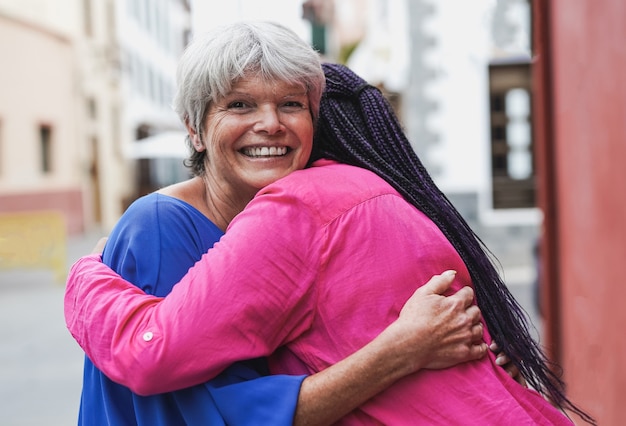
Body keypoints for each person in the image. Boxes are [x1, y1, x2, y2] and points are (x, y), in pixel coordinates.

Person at [73, 22, 492, 426]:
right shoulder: (161, 228)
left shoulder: (301, 224)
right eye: (239, 104)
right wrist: (401, 351)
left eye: (291, 104)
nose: (271, 123)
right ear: (195, 130)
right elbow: (213, 412)